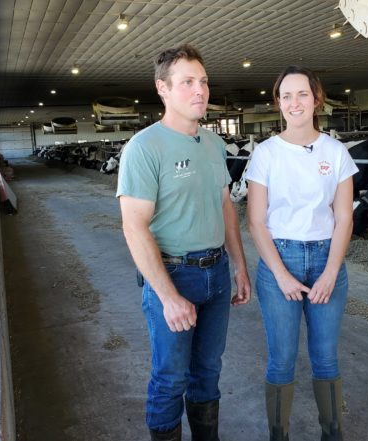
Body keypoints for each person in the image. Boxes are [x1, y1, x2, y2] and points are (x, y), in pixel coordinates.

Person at [116, 44, 251, 441]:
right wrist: (168, 296)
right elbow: (134, 228)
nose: (200, 91)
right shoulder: (144, 148)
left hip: (217, 273)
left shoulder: (212, 144)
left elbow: (225, 206)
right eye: (188, 82)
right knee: (170, 377)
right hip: (173, 275)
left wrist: (240, 265)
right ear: (163, 88)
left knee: (208, 371)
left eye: (204, 82)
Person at [245, 66, 357, 441]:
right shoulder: (265, 154)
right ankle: (279, 434)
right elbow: (256, 222)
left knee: (326, 357)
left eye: (302, 94)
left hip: (328, 259)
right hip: (281, 260)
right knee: (282, 360)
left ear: (316, 99)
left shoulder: (336, 151)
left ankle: (332, 433)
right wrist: (279, 274)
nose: (295, 103)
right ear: (278, 103)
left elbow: (343, 218)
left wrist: (330, 272)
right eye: (286, 96)